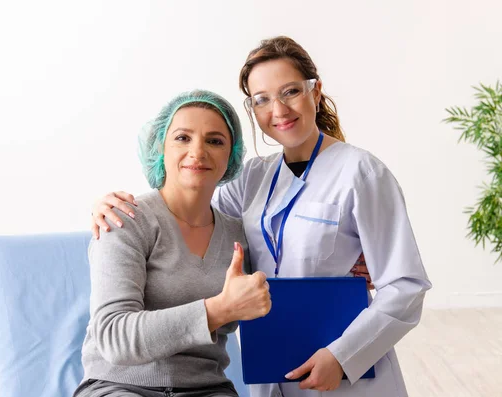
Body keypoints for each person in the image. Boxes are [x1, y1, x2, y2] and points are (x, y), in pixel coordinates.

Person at [90, 36, 432, 397]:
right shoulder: (252, 178)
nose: (279, 109)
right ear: (252, 108)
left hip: (346, 371)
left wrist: (342, 357)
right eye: (262, 99)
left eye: (290, 92)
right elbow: (190, 209)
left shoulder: (362, 173)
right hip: (271, 365)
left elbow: (406, 286)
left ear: (315, 93)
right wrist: (108, 207)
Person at [74, 90, 272, 397]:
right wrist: (219, 309)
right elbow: (114, 337)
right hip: (120, 385)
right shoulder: (124, 220)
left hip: (206, 388)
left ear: (231, 157)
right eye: (183, 137)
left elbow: (285, 284)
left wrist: (356, 265)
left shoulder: (240, 236)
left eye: (215, 140)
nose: (198, 151)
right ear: (160, 148)